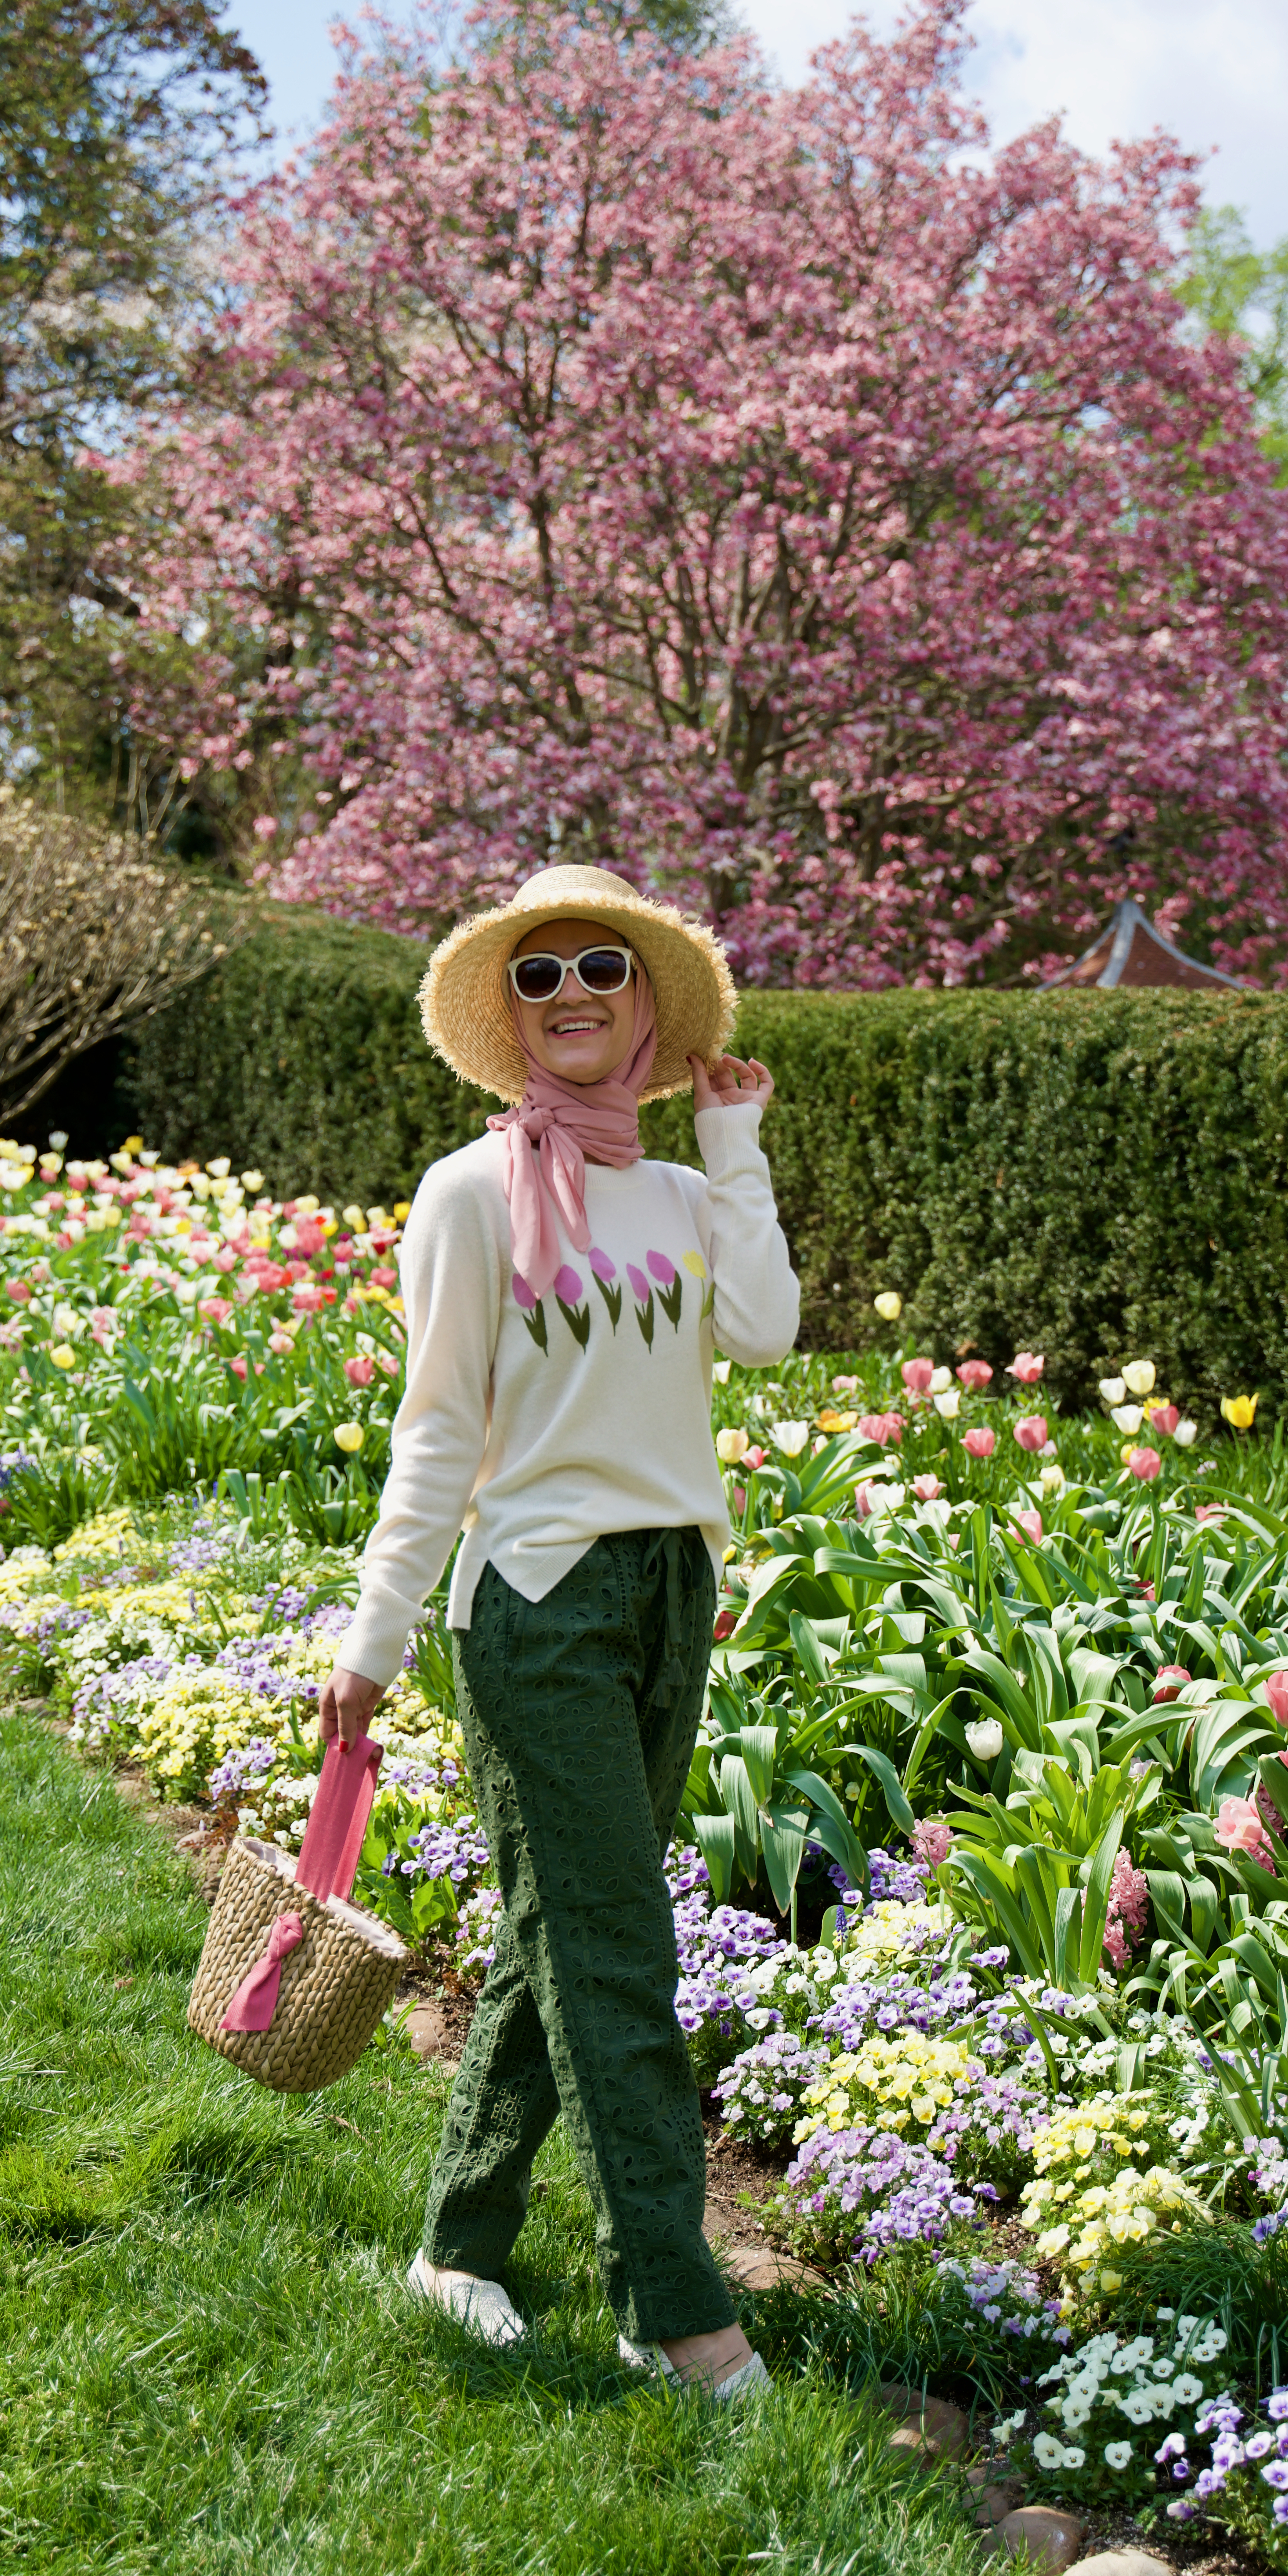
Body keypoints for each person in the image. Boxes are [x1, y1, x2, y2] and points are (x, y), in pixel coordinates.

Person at [324, 863, 799, 2397]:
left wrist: (734, 1141)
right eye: (541, 975)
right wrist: (373, 1639)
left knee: (563, 1930)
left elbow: (766, 1326)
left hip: (670, 1589)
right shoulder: (468, 1194)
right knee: (617, 1951)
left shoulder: (675, 1191)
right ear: (510, 1014)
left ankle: (459, 2240)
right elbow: (436, 1427)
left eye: (603, 963)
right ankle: (674, 2308)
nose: (575, 991)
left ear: (646, 998)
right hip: (536, 1602)